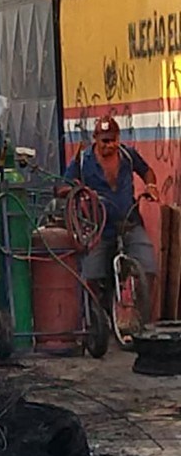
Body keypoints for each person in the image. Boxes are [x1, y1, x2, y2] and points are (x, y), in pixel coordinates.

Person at [61, 115, 159, 315]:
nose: (110, 145)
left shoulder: (128, 155)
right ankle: (99, 319)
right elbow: (63, 186)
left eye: (114, 140)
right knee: (92, 276)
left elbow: (147, 171)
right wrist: (79, 191)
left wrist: (150, 186)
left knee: (148, 267)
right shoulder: (82, 161)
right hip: (99, 228)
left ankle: (140, 318)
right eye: (105, 141)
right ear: (95, 138)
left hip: (129, 221)